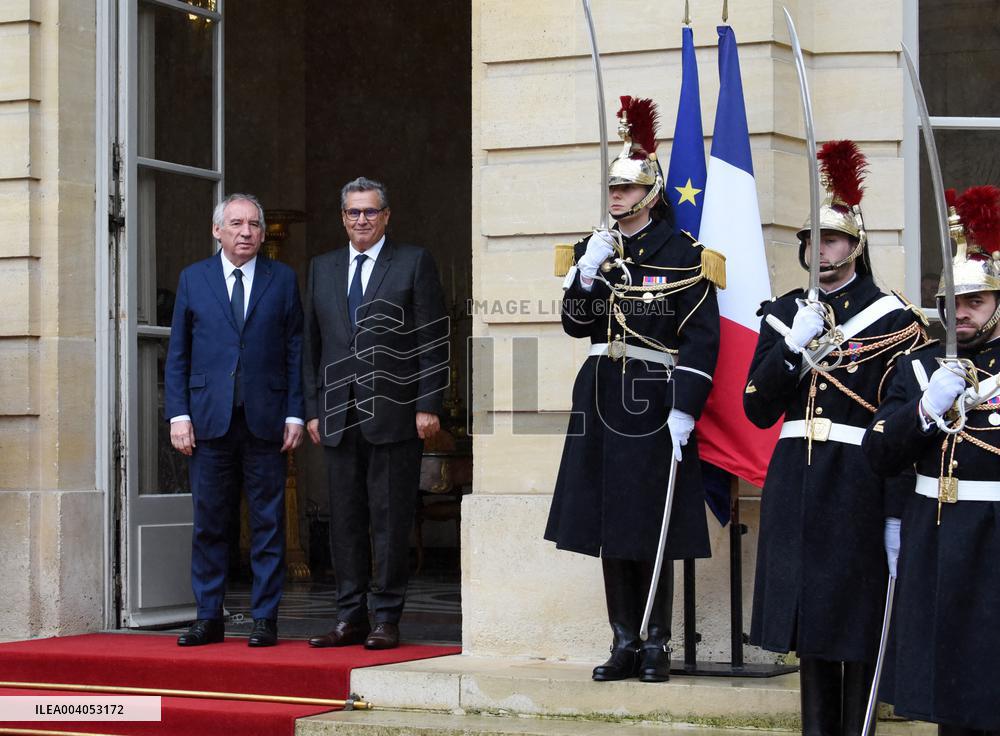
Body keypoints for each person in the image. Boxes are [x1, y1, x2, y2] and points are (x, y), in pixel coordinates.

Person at [743, 141, 928, 734]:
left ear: (856, 246)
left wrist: (896, 510)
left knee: (858, 617)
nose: (818, 249)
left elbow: (901, 423)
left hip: (858, 480)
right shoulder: (785, 312)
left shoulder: (893, 318)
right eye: (811, 240)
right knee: (812, 622)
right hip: (796, 477)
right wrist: (793, 345)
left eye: (831, 239)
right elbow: (757, 407)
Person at [544, 96, 723, 683]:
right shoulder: (595, 248)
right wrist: (587, 272)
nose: (616, 196)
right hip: (601, 391)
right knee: (609, 521)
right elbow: (577, 324)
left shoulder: (684, 254)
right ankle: (623, 639)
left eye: (627, 188)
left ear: (651, 193)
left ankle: (656, 643)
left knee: (651, 522)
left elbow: (701, 339)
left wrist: (685, 409)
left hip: (653, 394)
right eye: (613, 188)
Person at [863, 185, 1000, 736]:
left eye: (976, 301)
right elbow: (879, 453)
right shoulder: (918, 367)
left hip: (994, 532)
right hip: (937, 531)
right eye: (952, 302)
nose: (960, 313)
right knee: (948, 678)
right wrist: (926, 407)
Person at [304, 176, 448, 651]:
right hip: (338, 415)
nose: (361, 220)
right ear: (342, 218)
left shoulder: (412, 262)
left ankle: (386, 617)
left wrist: (428, 404)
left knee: (389, 521)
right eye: (353, 212)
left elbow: (432, 339)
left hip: (396, 414)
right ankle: (350, 617)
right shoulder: (322, 267)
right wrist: (312, 410)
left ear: (386, 216)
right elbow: (311, 346)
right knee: (344, 521)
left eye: (369, 211)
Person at [165, 193, 305, 647]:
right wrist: (179, 414)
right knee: (210, 523)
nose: (246, 232)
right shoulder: (194, 278)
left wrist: (296, 412)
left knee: (268, 524)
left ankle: (265, 618)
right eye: (236, 224)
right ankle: (209, 617)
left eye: (253, 225)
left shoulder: (282, 279)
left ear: (262, 234)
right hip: (208, 421)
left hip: (266, 420)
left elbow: (295, 351)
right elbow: (179, 353)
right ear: (217, 231)